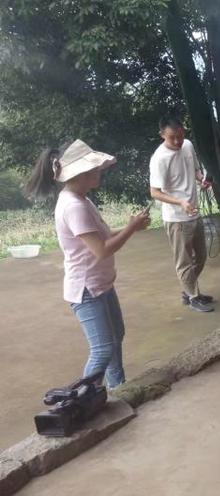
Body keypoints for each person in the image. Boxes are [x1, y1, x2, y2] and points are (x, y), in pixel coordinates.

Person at [26, 140, 150, 388]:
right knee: (103, 349)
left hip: (100, 284)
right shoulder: (74, 206)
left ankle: (118, 389)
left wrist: (131, 228)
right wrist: (131, 227)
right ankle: (80, 400)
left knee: (116, 338)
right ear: (80, 173)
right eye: (95, 168)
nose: (99, 171)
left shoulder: (80, 199)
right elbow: (101, 250)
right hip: (86, 290)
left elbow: (99, 235)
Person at [149, 115, 214, 313]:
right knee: (184, 260)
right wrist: (180, 202)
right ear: (162, 135)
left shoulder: (187, 145)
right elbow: (155, 192)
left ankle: (189, 290)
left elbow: (194, 170)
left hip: (194, 212)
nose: (177, 141)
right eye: (171, 138)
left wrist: (202, 179)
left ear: (183, 131)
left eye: (180, 135)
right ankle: (193, 297)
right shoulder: (159, 159)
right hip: (176, 218)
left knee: (201, 256)